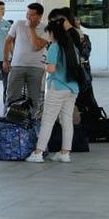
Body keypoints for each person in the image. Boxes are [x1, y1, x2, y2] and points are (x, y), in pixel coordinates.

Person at [26, 16, 83, 163]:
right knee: (67, 121)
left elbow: (51, 69)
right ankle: (65, 153)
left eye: (49, 33)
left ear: (54, 34)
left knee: (48, 121)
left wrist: (44, 65)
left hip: (57, 88)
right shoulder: (73, 47)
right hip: (72, 88)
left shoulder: (55, 47)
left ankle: (38, 153)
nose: (48, 36)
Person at [3, 2, 47, 107]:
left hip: (36, 67)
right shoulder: (18, 24)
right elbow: (7, 41)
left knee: (33, 98)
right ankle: (8, 119)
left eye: (32, 14)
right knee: (12, 95)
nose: (28, 16)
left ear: (40, 16)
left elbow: (37, 46)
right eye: (27, 13)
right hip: (17, 65)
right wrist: (5, 60)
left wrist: (31, 28)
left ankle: (31, 120)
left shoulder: (45, 28)